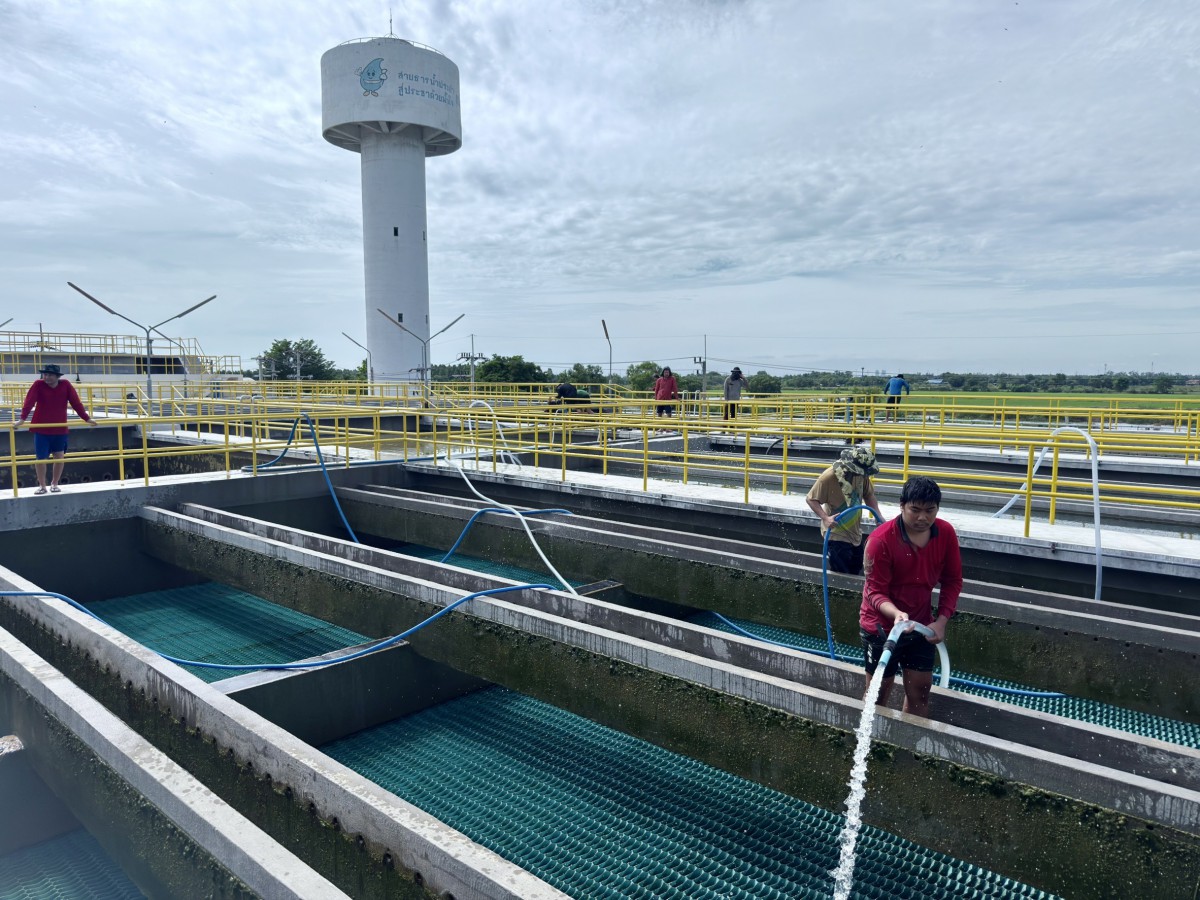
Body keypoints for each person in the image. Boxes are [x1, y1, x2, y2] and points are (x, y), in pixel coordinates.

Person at [859, 475, 961, 718]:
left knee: (920, 691)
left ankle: (908, 743)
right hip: (882, 627)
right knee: (878, 691)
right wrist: (896, 615)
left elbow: (953, 580)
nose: (922, 517)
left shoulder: (945, 533)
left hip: (921, 625)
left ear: (937, 509)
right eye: (915, 510)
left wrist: (941, 621)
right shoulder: (881, 541)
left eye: (929, 510)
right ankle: (872, 743)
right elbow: (875, 592)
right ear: (902, 506)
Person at [17, 364, 97, 494]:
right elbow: (29, 401)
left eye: (50, 375)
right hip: (41, 428)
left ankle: (54, 483)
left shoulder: (65, 385)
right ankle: (42, 486)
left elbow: (76, 403)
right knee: (41, 458)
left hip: (59, 428)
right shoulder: (38, 384)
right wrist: (22, 419)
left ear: (57, 377)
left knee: (59, 456)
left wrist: (86, 418)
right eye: (45, 374)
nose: (46, 377)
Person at [805, 446, 884, 575]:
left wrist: (878, 516)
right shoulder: (829, 477)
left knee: (857, 567)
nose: (863, 475)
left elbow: (868, 495)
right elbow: (811, 499)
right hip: (836, 533)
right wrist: (825, 518)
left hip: (855, 532)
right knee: (841, 573)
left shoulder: (861, 475)